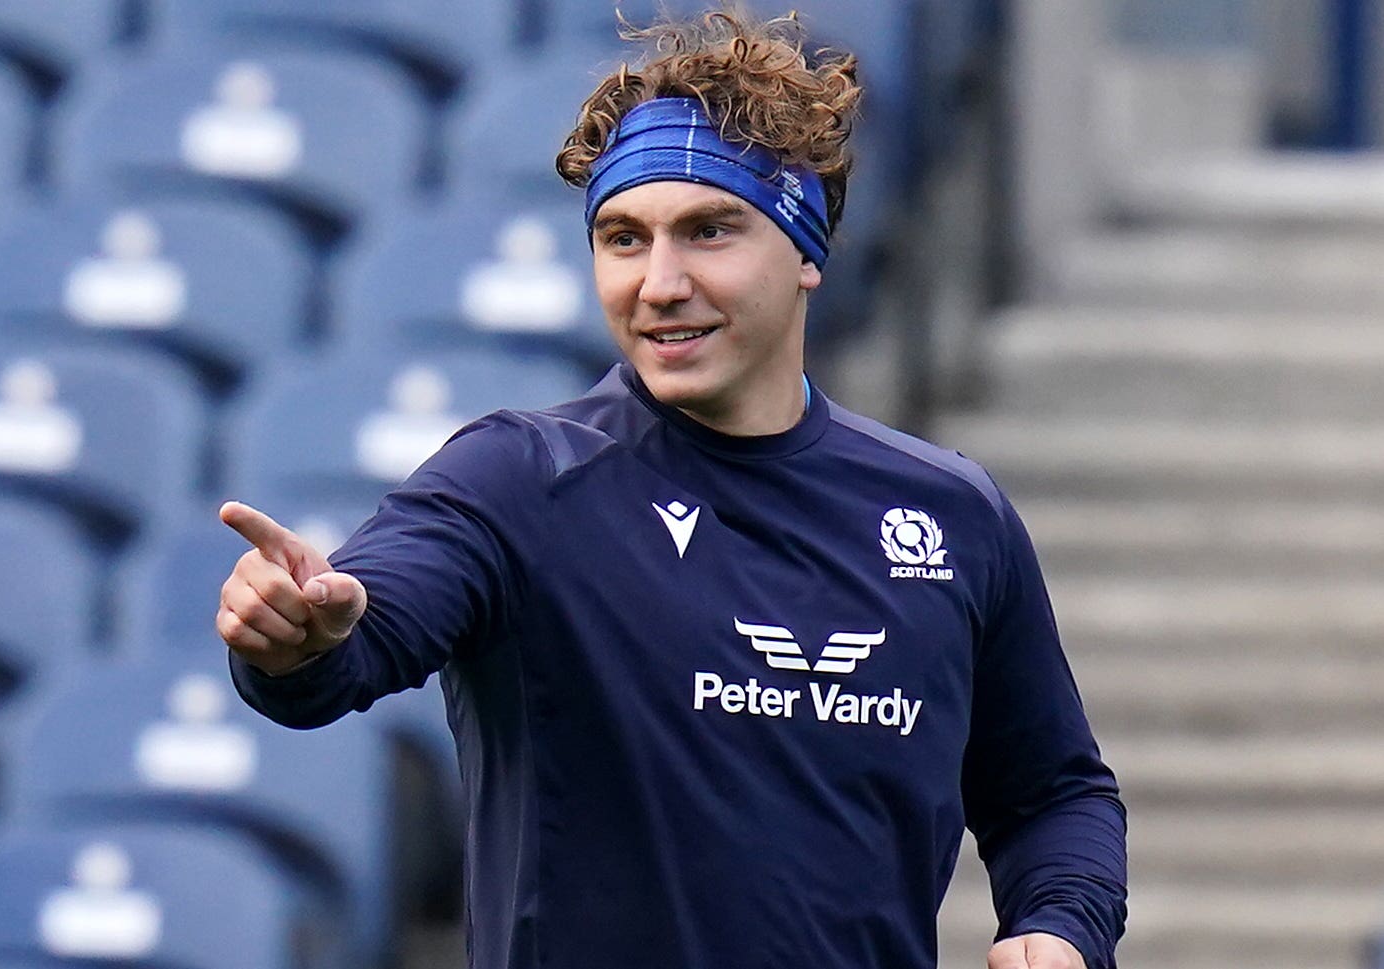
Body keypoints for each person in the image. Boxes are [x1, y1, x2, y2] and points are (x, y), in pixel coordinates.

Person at [216, 8, 1127, 969]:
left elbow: (1054, 794)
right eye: (622, 238)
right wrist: (301, 639)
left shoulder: (949, 513)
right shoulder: (522, 479)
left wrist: (1060, 927)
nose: (658, 282)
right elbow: (363, 634)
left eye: (708, 231)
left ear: (807, 252)